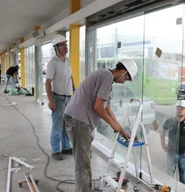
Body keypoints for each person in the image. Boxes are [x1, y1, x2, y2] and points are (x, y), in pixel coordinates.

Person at [64, 59, 137, 192]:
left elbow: (107, 107)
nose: (123, 82)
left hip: (79, 120)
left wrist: (120, 129)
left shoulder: (106, 77)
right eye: (125, 79)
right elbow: (98, 107)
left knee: (85, 160)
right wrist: (113, 125)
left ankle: (88, 188)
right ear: (122, 72)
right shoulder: (106, 77)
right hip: (79, 121)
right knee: (82, 164)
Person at [45, 34, 75, 161]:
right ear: (56, 47)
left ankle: (66, 147)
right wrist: (51, 100)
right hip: (58, 98)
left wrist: (75, 90)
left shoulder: (67, 60)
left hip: (68, 98)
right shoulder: (52, 63)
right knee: (57, 125)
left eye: (66, 44)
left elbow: (70, 77)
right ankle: (56, 150)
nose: (65, 47)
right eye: (62, 45)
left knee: (67, 124)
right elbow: (47, 83)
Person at [160, 100, 185, 185]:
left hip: (183, 154)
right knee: (170, 173)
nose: (180, 110)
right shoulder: (170, 121)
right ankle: (168, 188)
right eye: (178, 108)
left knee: (183, 173)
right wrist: (163, 144)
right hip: (171, 152)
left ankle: (183, 189)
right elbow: (162, 131)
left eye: (182, 109)